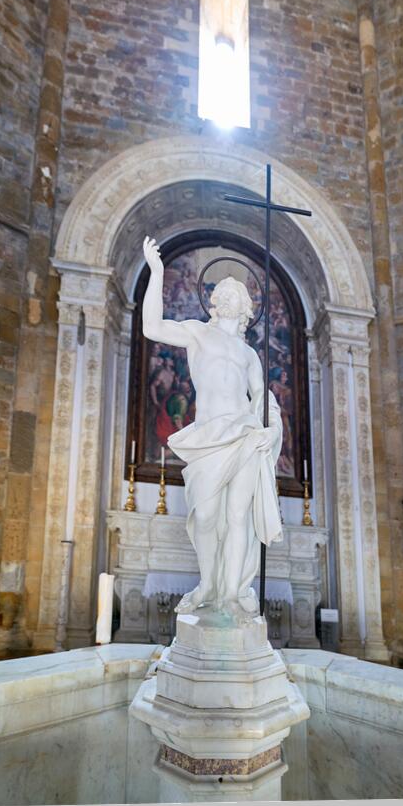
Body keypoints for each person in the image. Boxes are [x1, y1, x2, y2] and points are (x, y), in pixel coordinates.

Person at [142, 235, 283, 621]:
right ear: (214, 301)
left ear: (245, 308)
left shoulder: (249, 354)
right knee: (204, 516)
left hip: (243, 434)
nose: (227, 295)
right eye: (222, 291)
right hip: (208, 435)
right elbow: (152, 326)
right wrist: (156, 272)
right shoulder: (197, 333)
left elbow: (262, 399)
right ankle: (209, 582)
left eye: (235, 293)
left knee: (238, 517)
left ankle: (232, 594)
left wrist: (271, 431)